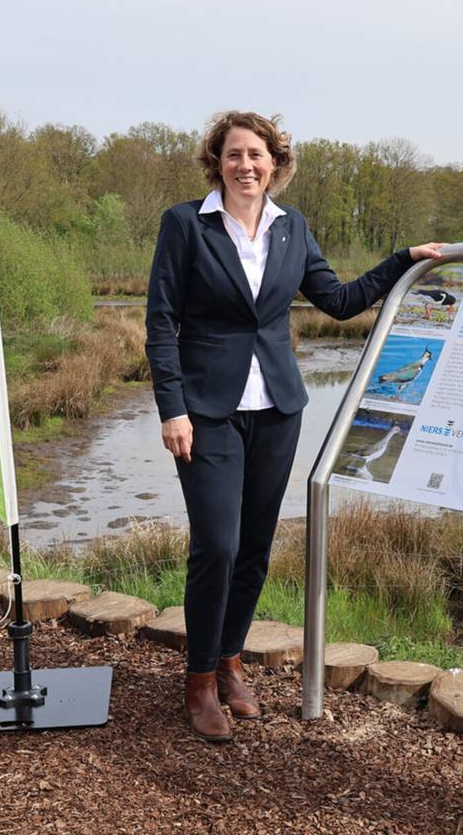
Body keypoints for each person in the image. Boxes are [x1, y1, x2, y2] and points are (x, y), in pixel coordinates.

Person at [145, 110, 444, 744]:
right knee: (217, 545)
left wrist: (403, 261)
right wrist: (172, 407)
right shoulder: (185, 224)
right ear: (216, 162)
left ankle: (229, 663)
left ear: (275, 164)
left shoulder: (292, 227)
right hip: (206, 411)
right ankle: (199, 682)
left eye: (257, 155)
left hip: (279, 409)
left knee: (255, 546)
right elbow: (161, 321)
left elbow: (338, 301)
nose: (245, 166)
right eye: (234, 154)